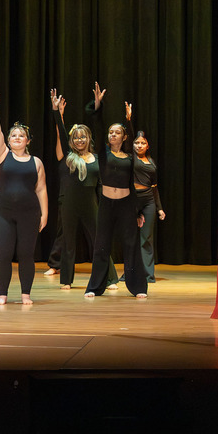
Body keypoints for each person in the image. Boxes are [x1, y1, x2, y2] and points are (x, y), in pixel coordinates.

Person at [83, 82, 148, 298]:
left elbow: (133, 185)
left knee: (131, 245)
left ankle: (137, 287)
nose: (112, 135)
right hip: (107, 205)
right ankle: (94, 287)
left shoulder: (130, 157)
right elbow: (97, 125)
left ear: (123, 137)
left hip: (127, 205)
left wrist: (138, 211)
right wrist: (98, 106)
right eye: (111, 132)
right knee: (101, 246)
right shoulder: (103, 154)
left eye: (117, 132)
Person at [49, 89, 117, 289]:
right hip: (69, 203)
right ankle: (66, 280)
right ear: (72, 141)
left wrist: (98, 107)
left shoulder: (97, 157)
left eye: (83, 137)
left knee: (99, 241)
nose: (79, 140)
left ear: (89, 139)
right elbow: (61, 133)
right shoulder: (68, 158)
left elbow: (97, 125)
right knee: (68, 243)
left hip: (91, 203)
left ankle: (111, 278)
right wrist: (56, 112)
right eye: (76, 138)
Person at [0, 89, 48, 305]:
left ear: (28, 140)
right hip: (3, 213)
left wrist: (45, 214)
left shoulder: (37, 162)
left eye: (21, 135)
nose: (17, 138)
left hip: (29, 214)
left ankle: (25, 294)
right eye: (14, 135)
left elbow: (41, 189)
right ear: (9, 140)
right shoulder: (2, 155)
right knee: (3, 254)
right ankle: (2, 294)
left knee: (26, 255)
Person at [131, 126, 166, 283]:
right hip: (132, 201)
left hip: (149, 201)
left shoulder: (151, 162)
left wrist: (160, 208)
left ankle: (147, 275)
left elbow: (155, 187)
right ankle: (130, 273)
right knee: (131, 238)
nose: (139, 145)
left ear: (147, 145)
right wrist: (129, 120)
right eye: (136, 142)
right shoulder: (131, 158)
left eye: (142, 143)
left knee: (146, 238)